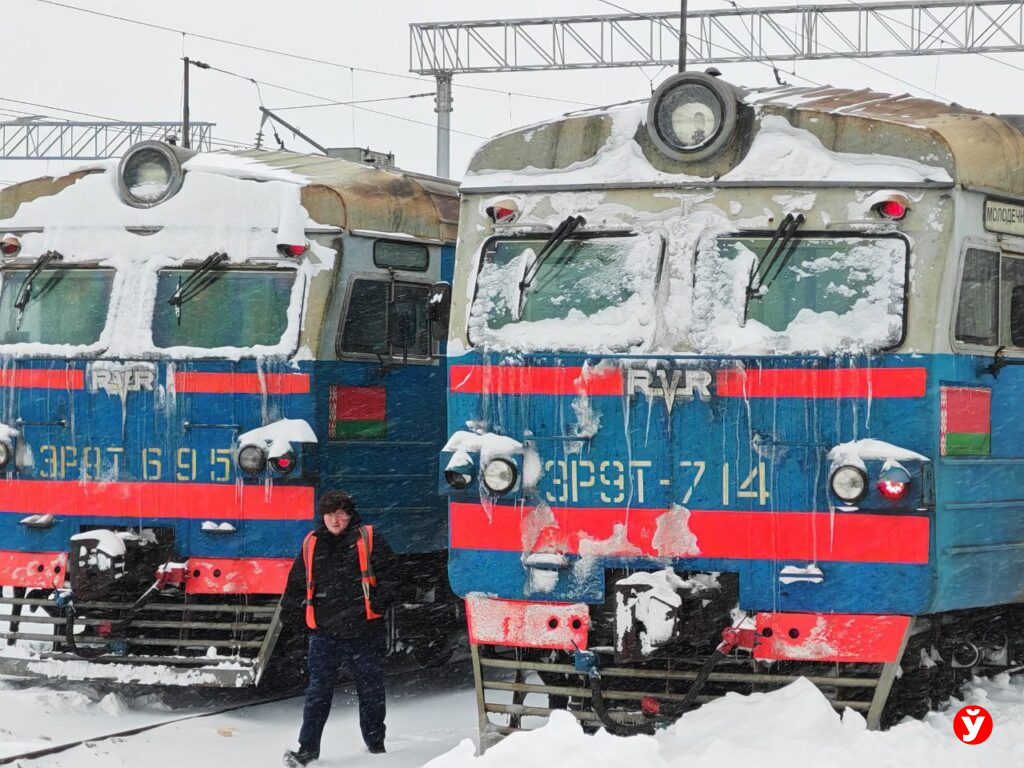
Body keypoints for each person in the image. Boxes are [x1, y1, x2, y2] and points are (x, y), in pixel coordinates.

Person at [282, 490, 397, 767]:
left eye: (342, 514)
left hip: (364, 631)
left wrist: (379, 604)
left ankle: (376, 746)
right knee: (317, 693)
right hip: (324, 633)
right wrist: (292, 619)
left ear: (351, 515)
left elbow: (395, 576)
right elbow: (296, 584)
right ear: (323, 516)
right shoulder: (312, 543)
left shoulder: (369, 539)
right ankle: (307, 750)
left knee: (370, 691)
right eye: (331, 514)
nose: (336, 520)